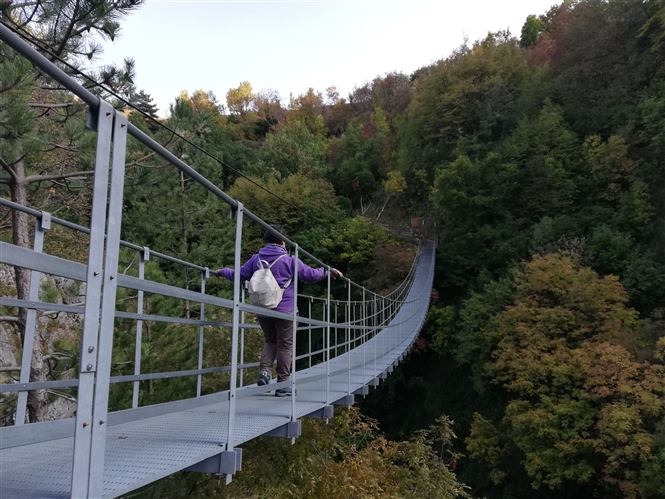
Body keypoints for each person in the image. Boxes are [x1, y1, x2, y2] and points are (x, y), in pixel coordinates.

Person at [213, 226, 342, 397]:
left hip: (263, 309)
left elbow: (240, 275)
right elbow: (310, 275)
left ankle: (265, 372)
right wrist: (327, 271)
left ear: (266, 241)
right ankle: (283, 384)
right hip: (285, 311)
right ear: (283, 242)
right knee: (285, 345)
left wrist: (222, 271)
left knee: (270, 340)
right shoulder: (290, 260)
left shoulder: (256, 259)